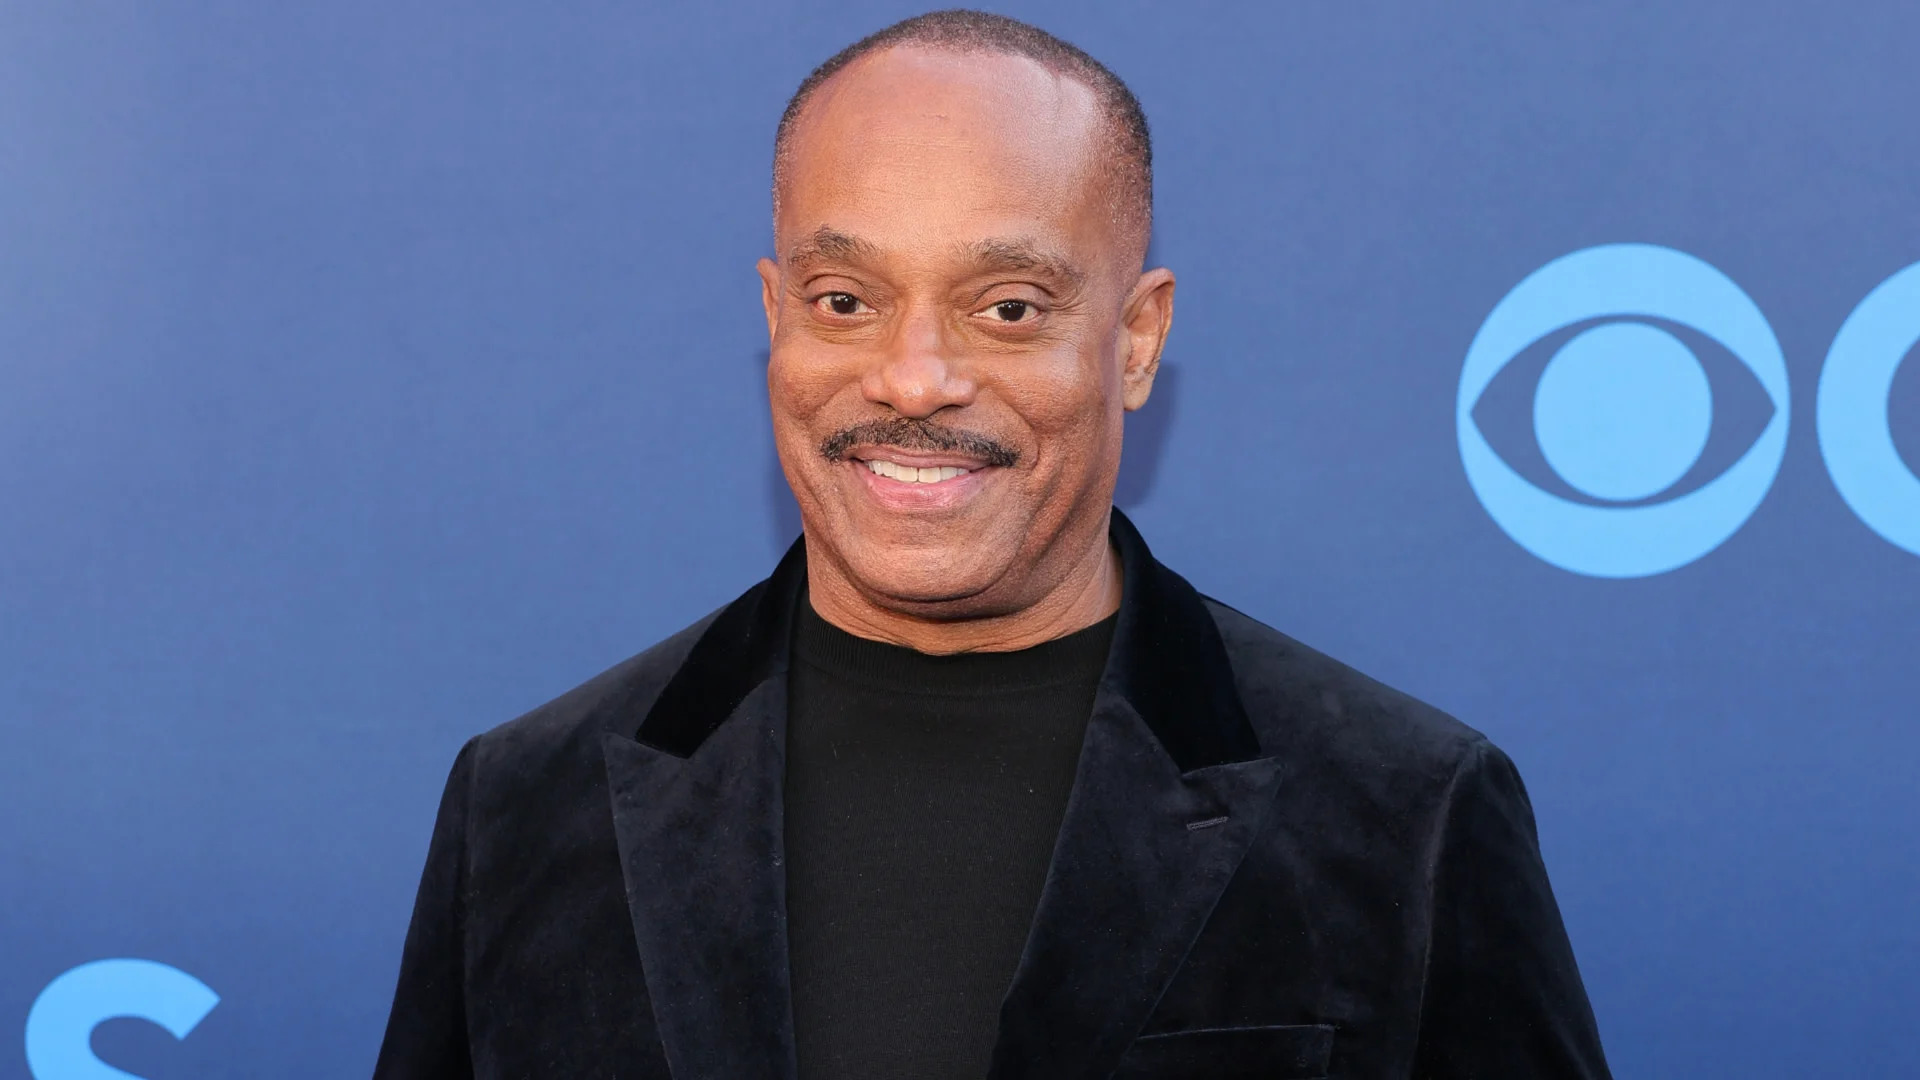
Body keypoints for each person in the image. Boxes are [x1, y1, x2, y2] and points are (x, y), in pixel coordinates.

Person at [373, 10, 1613, 1079]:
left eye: (1008, 308)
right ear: (775, 317)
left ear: (1135, 341)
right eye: (845, 302)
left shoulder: (1407, 813)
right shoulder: (528, 806)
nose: (914, 378)